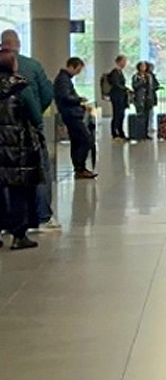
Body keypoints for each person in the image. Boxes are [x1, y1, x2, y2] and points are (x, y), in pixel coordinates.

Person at [2, 30, 55, 230]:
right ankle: (41, 216)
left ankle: (5, 222)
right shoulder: (31, 68)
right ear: (18, 44)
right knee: (38, 172)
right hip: (24, 134)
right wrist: (36, 116)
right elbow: (46, 93)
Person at [0, 47, 45, 249]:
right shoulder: (20, 87)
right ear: (13, 65)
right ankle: (19, 235)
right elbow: (35, 115)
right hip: (17, 146)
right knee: (18, 190)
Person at [54, 57, 97, 179]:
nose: (78, 73)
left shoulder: (65, 79)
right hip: (71, 115)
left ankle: (79, 168)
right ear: (71, 66)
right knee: (86, 139)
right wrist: (79, 100)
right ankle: (80, 167)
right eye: (78, 70)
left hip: (71, 114)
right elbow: (66, 97)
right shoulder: (63, 80)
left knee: (77, 141)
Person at [131, 60, 161, 140]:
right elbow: (134, 86)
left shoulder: (149, 76)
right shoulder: (136, 76)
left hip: (148, 99)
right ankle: (139, 133)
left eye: (144, 66)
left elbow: (151, 87)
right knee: (140, 115)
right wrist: (141, 81)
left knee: (147, 116)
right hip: (139, 98)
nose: (143, 68)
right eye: (142, 66)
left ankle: (145, 133)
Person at [104, 55, 130, 140]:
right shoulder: (114, 72)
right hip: (116, 97)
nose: (125, 63)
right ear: (118, 62)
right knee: (117, 114)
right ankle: (114, 133)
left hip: (121, 96)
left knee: (121, 114)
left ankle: (120, 131)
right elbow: (116, 84)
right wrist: (125, 89)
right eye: (123, 61)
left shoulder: (120, 72)